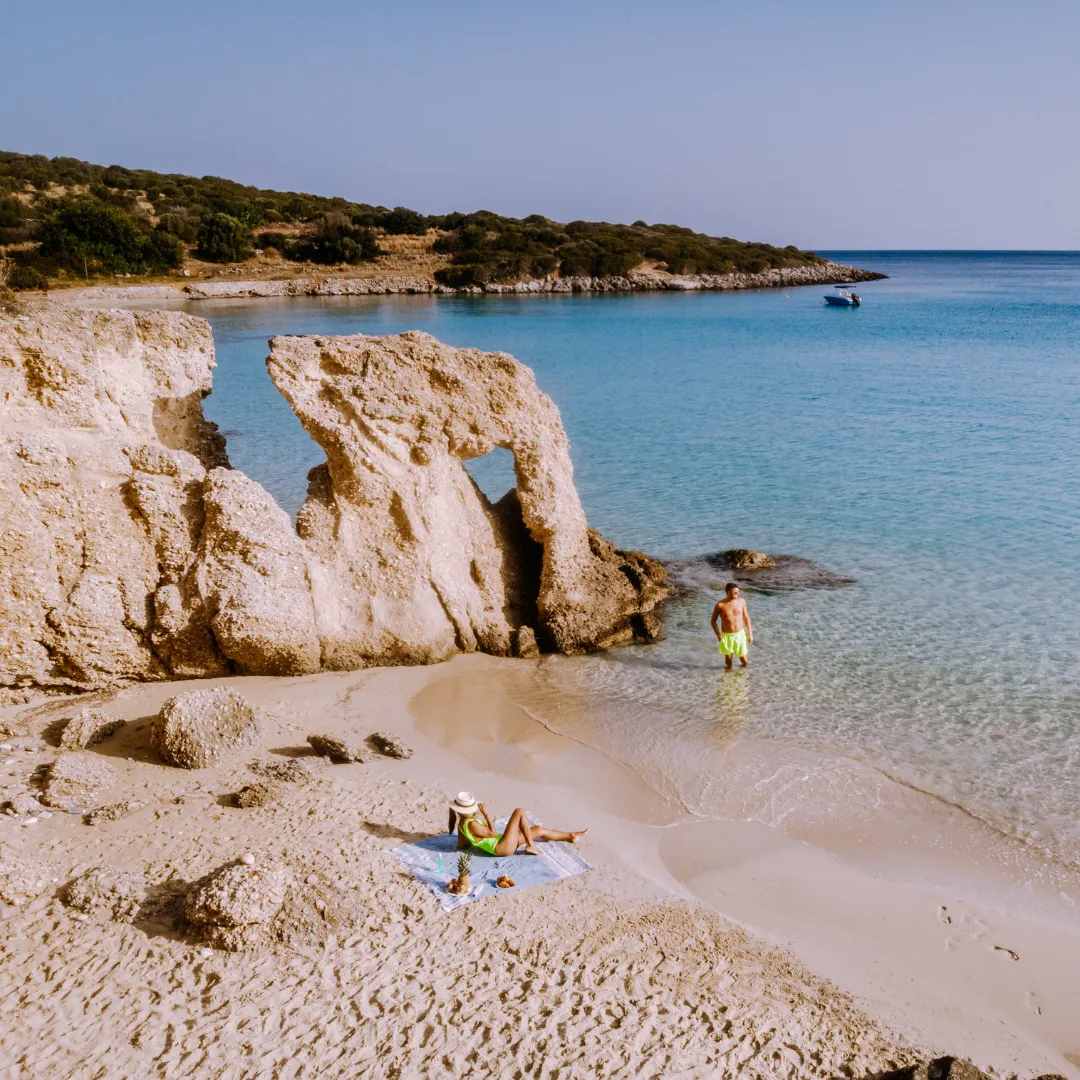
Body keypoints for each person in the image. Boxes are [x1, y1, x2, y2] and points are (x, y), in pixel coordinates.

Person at [447, 792, 587, 856]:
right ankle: (530, 846)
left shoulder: (462, 824)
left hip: (503, 843)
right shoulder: (472, 825)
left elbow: (462, 845)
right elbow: (493, 833)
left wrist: (472, 844)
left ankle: (570, 836)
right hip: (501, 847)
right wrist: (487, 816)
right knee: (519, 811)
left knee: (538, 829)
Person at [711, 582, 753, 669]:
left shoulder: (741, 602)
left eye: (738, 592)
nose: (738, 594)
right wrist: (719, 635)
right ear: (729, 592)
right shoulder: (720, 605)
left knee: (744, 661)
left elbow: (746, 618)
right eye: (735, 592)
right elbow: (713, 621)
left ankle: (744, 675)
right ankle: (728, 679)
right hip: (727, 636)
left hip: (740, 635)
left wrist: (750, 634)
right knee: (729, 662)